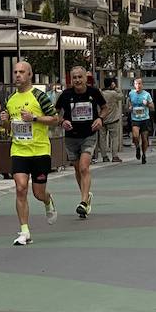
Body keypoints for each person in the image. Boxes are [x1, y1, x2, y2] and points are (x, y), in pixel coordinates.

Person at [4, 60, 60, 245]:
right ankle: (24, 231)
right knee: (20, 188)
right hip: (19, 150)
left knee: (38, 193)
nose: (18, 75)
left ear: (29, 75)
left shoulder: (39, 96)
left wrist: (34, 118)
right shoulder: (11, 99)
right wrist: (4, 121)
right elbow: (8, 128)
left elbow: (55, 119)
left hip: (39, 150)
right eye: (15, 72)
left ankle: (47, 200)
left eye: (22, 72)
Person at [56, 65, 106, 218]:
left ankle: (83, 202)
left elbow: (104, 107)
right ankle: (86, 196)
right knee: (78, 169)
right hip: (71, 136)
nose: (77, 80)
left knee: (84, 167)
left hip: (88, 134)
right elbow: (55, 113)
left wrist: (100, 119)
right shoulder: (66, 95)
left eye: (80, 77)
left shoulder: (94, 92)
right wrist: (62, 121)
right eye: (74, 77)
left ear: (86, 78)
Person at [127, 77, 154, 164]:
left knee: (144, 138)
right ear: (134, 85)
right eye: (136, 84)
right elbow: (128, 105)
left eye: (139, 84)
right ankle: (137, 147)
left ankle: (144, 154)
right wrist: (130, 108)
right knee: (135, 136)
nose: (138, 85)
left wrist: (147, 104)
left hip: (145, 119)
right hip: (135, 118)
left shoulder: (146, 94)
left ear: (142, 85)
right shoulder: (131, 94)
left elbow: (153, 107)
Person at [100, 76, 124, 162]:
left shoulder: (100, 93)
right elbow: (121, 96)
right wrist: (116, 88)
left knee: (102, 138)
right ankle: (114, 156)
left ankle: (104, 156)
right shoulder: (113, 93)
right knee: (114, 138)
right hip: (113, 119)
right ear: (111, 84)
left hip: (102, 119)